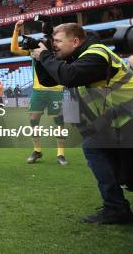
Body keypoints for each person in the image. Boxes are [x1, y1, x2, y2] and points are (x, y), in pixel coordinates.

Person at [31, 23, 133, 224]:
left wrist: (45, 56)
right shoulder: (78, 57)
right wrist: (38, 57)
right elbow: (49, 80)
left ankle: (116, 207)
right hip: (118, 121)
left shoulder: (96, 54)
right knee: (95, 147)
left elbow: (69, 76)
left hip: (128, 117)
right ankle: (115, 208)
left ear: (75, 41)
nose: (54, 46)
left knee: (128, 173)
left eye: (58, 41)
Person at [11, 20, 67, 165]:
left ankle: (61, 154)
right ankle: (37, 150)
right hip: (38, 91)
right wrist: (16, 30)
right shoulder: (36, 47)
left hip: (56, 90)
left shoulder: (59, 47)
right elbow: (14, 49)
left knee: (59, 122)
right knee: (33, 120)